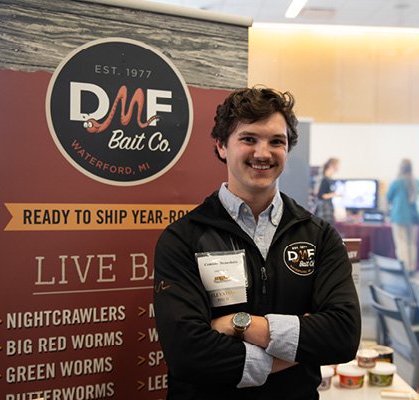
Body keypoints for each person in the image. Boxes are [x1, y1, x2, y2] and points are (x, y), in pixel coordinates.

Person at [153, 87, 361, 399]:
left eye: (277, 141)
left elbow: (342, 336)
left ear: (288, 150)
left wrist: (241, 324)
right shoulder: (183, 238)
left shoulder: (319, 236)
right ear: (222, 146)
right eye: (249, 139)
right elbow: (188, 354)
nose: (263, 153)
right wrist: (299, 346)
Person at [386, 158, 419, 273]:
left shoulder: (397, 182)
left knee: (402, 244)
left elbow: (388, 198)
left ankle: (404, 269)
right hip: (414, 218)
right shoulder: (416, 182)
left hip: (399, 217)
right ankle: (411, 268)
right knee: (412, 244)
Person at [314, 158, 339, 225]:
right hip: (324, 211)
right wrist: (334, 194)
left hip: (328, 210)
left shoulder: (328, 180)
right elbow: (321, 195)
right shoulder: (324, 180)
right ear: (331, 166)